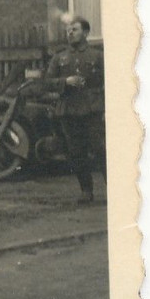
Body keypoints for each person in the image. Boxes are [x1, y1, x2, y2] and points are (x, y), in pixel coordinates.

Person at [43, 16, 105, 204]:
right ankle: (86, 191)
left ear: (85, 33)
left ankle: (116, 189)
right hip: (68, 111)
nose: (70, 33)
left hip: (92, 109)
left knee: (101, 150)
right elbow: (47, 82)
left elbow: (109, 81)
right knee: (76, 153)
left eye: (75, 29)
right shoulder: (59, 57)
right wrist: (65, 82)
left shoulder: (97, 55)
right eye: (68, 30)